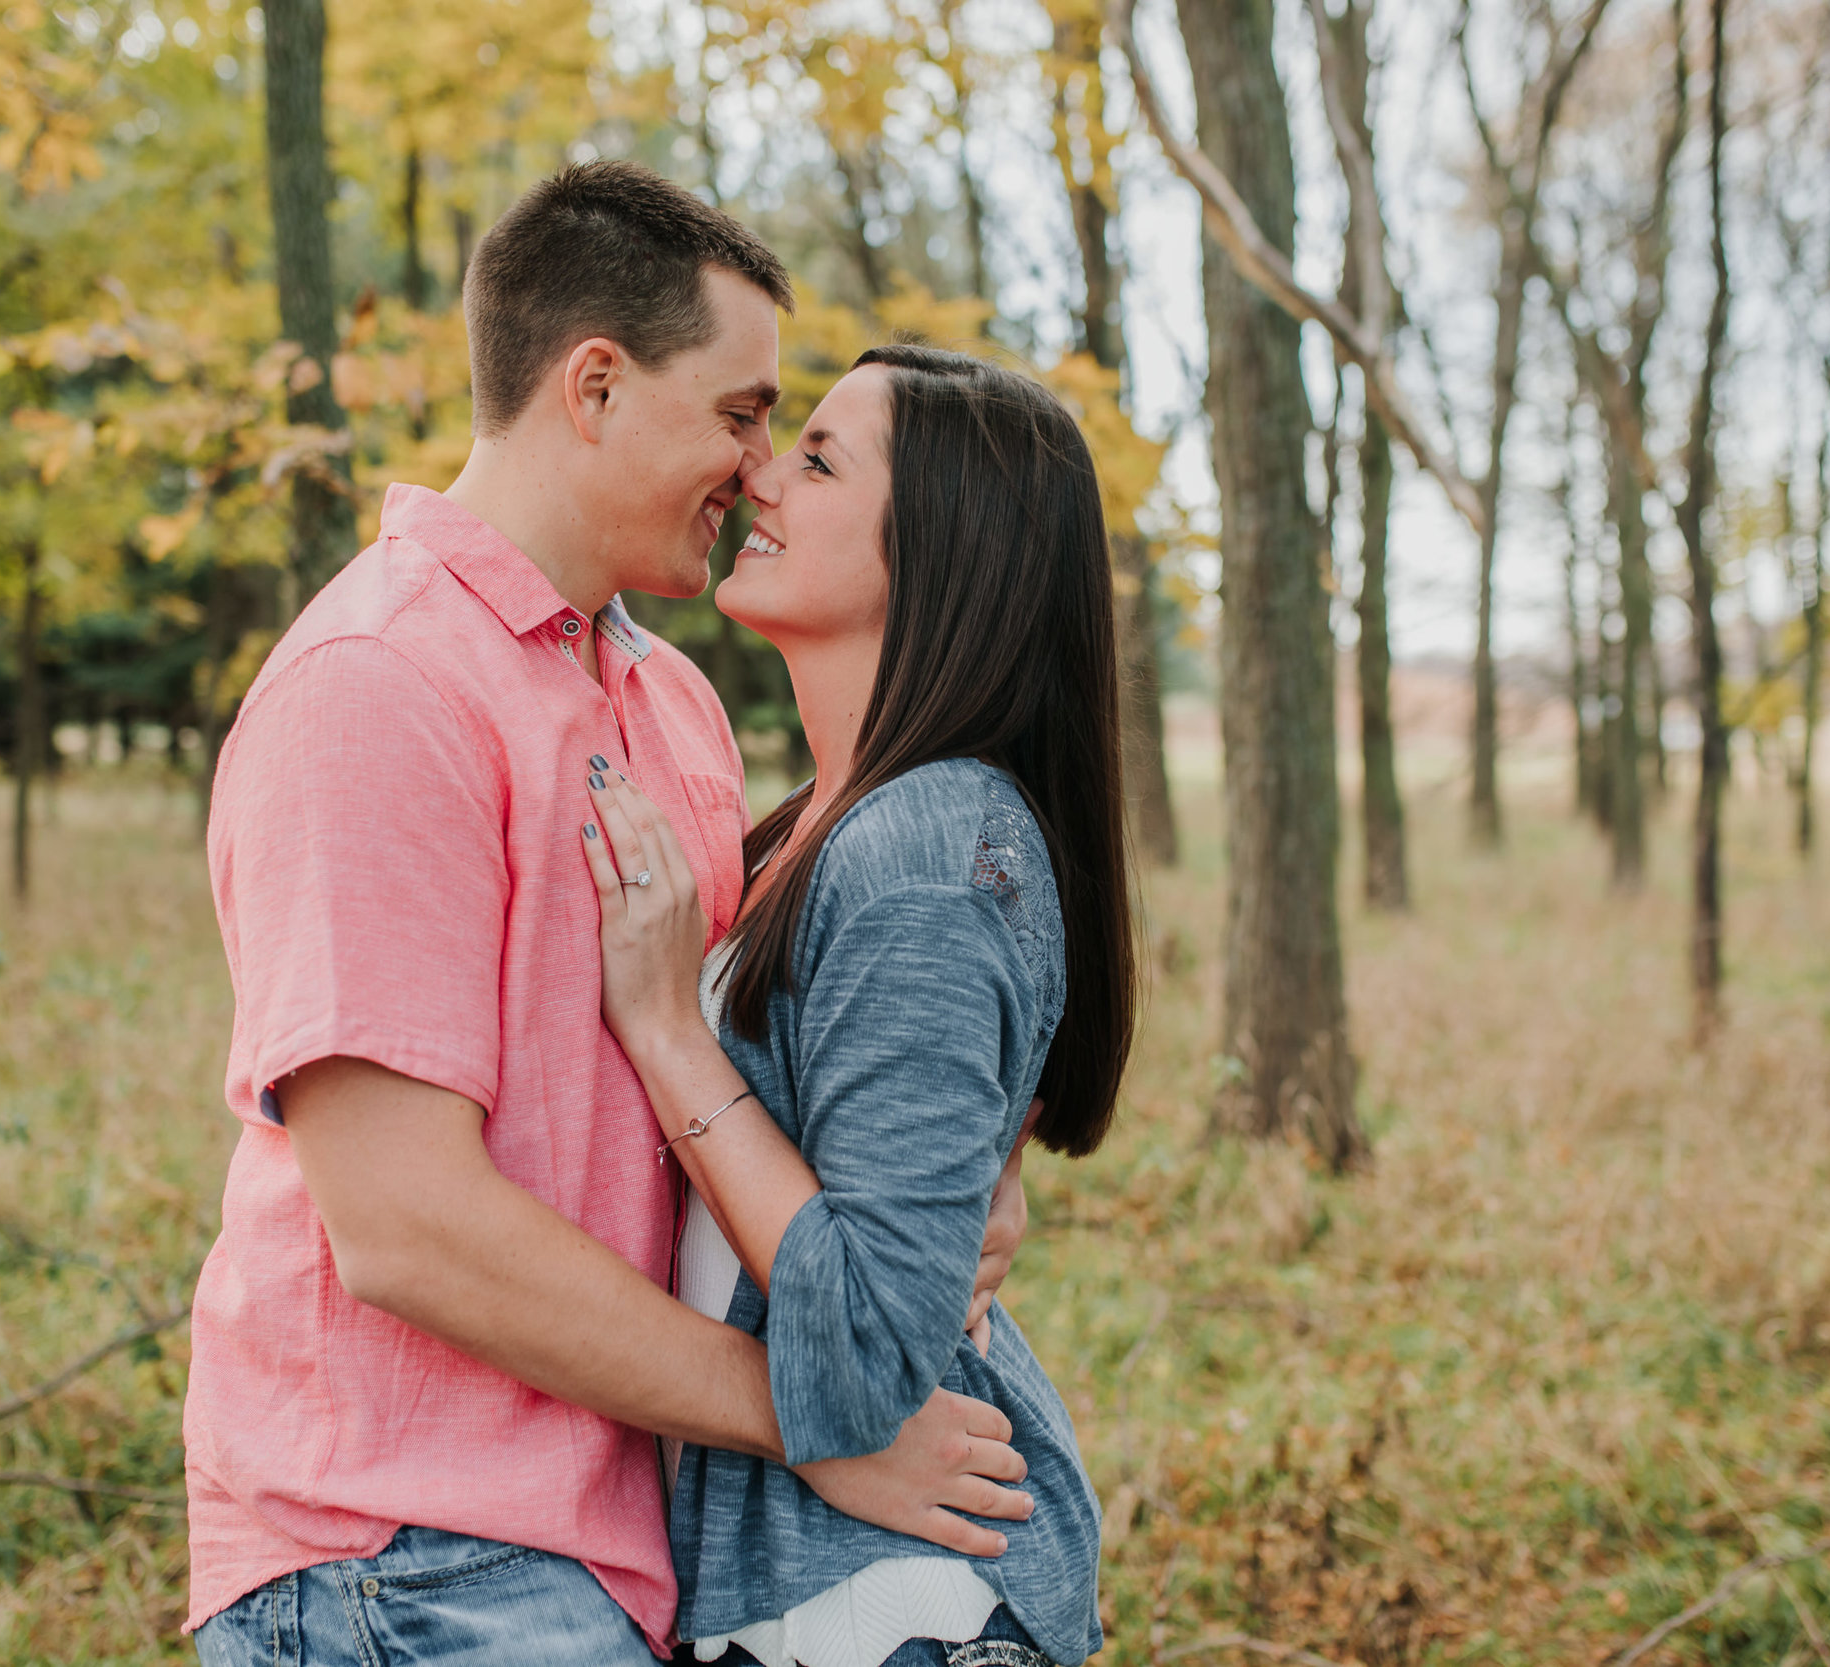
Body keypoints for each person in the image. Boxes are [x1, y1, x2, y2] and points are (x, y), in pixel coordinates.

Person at [185, 165, 1037, 1667]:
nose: (761, 467)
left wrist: (955, 1167)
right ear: (593, 386)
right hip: (406, 1555)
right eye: (739, 414)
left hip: (627, 1541)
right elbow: (405, 1228)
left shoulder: (675, 699)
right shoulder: (377, 687)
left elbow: (737, 1061)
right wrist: (812, 1414)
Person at [580, 345, 1137, 1667]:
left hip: (898, 1610)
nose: (761, 473)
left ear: (947, 549)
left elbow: (872, 1354)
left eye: (819, 457)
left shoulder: (927, 854)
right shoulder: (827, 830)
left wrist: (667, 1032)